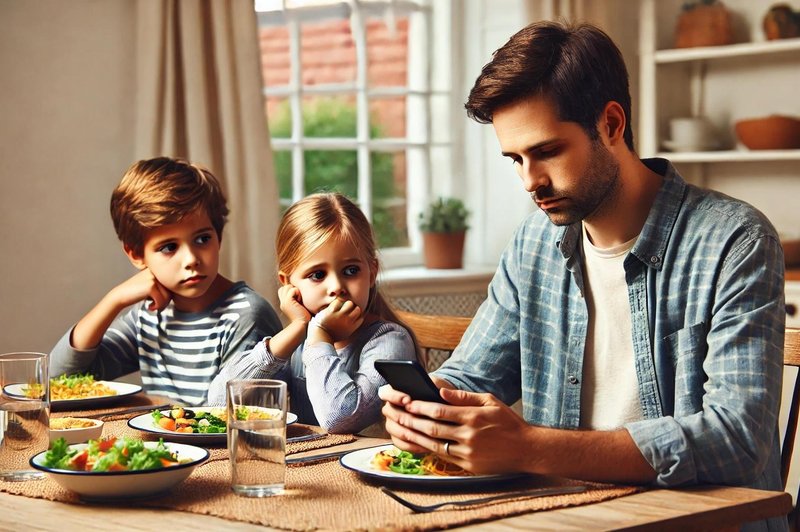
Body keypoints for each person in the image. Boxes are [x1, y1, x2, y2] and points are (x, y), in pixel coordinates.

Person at [380, 20, 786, 531]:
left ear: (611, 124)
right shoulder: (533, 244)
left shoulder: (735, 240)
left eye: (547, 151)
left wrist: (529, 448)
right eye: (515, 159)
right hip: (565, 518)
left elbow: (737, 440)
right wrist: (427, 403)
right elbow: (471, 377)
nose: (531, 181)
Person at [50, 157, 282, 406]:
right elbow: (61, 378)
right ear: (137, 255)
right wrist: (114, 300)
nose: (191, 259)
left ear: (219, 237)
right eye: (169, 247)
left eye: (202, 239)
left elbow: (228, 414)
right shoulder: (149, 317)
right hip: (168, 444)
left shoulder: (245, 315)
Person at [215, 192, 417, 434]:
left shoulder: (390, 341)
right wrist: (296, 329)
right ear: (287, 282)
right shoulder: (299, 342)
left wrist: (320, 337)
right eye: (317, 275)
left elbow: (339, 419)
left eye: (351, 270)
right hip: (309, 466)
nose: (336, 288)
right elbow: (218, 402)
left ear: (371, 273)